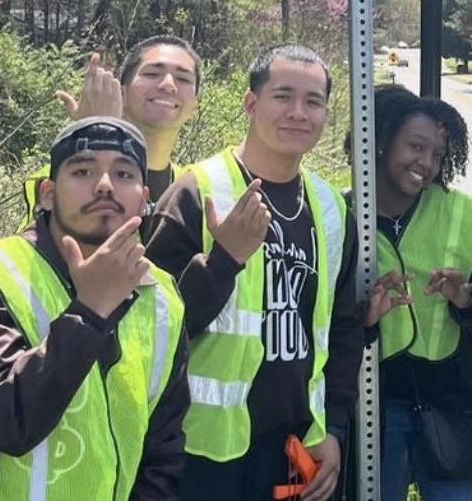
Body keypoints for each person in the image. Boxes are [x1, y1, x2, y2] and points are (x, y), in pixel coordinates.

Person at [0, 117, 189, 500]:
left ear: (144, 201)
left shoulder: (161, 297)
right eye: (83, 170)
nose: (105, 184)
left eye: (123, 173)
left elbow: (162, 447)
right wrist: (89, 312)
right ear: (47, 194)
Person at [146, 45, 363, 501]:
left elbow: (340, 329)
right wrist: (223, 261)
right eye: (283, 96)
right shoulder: (198, 191)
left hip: (294, 444)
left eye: (314, 101)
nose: (298, 113)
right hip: (201, 451)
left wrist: (334, 428)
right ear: (251, 103)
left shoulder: (330, 208)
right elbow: (151, 330)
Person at [357, 85, 472, 501]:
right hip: (373, 409)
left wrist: (468, 299)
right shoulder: (343, 213)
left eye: (438, 155)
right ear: (383, 140)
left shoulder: (461, 212)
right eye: (416, 146)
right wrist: (364, 318)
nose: (426, 163)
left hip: (451, 406)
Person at [24, 36, 202, 220]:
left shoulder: (197, 188)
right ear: (121, 93)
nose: (168, 85)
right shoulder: (64, 172)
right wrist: (95, 135)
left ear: (195, 105)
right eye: (152, 74)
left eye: (183, 78)